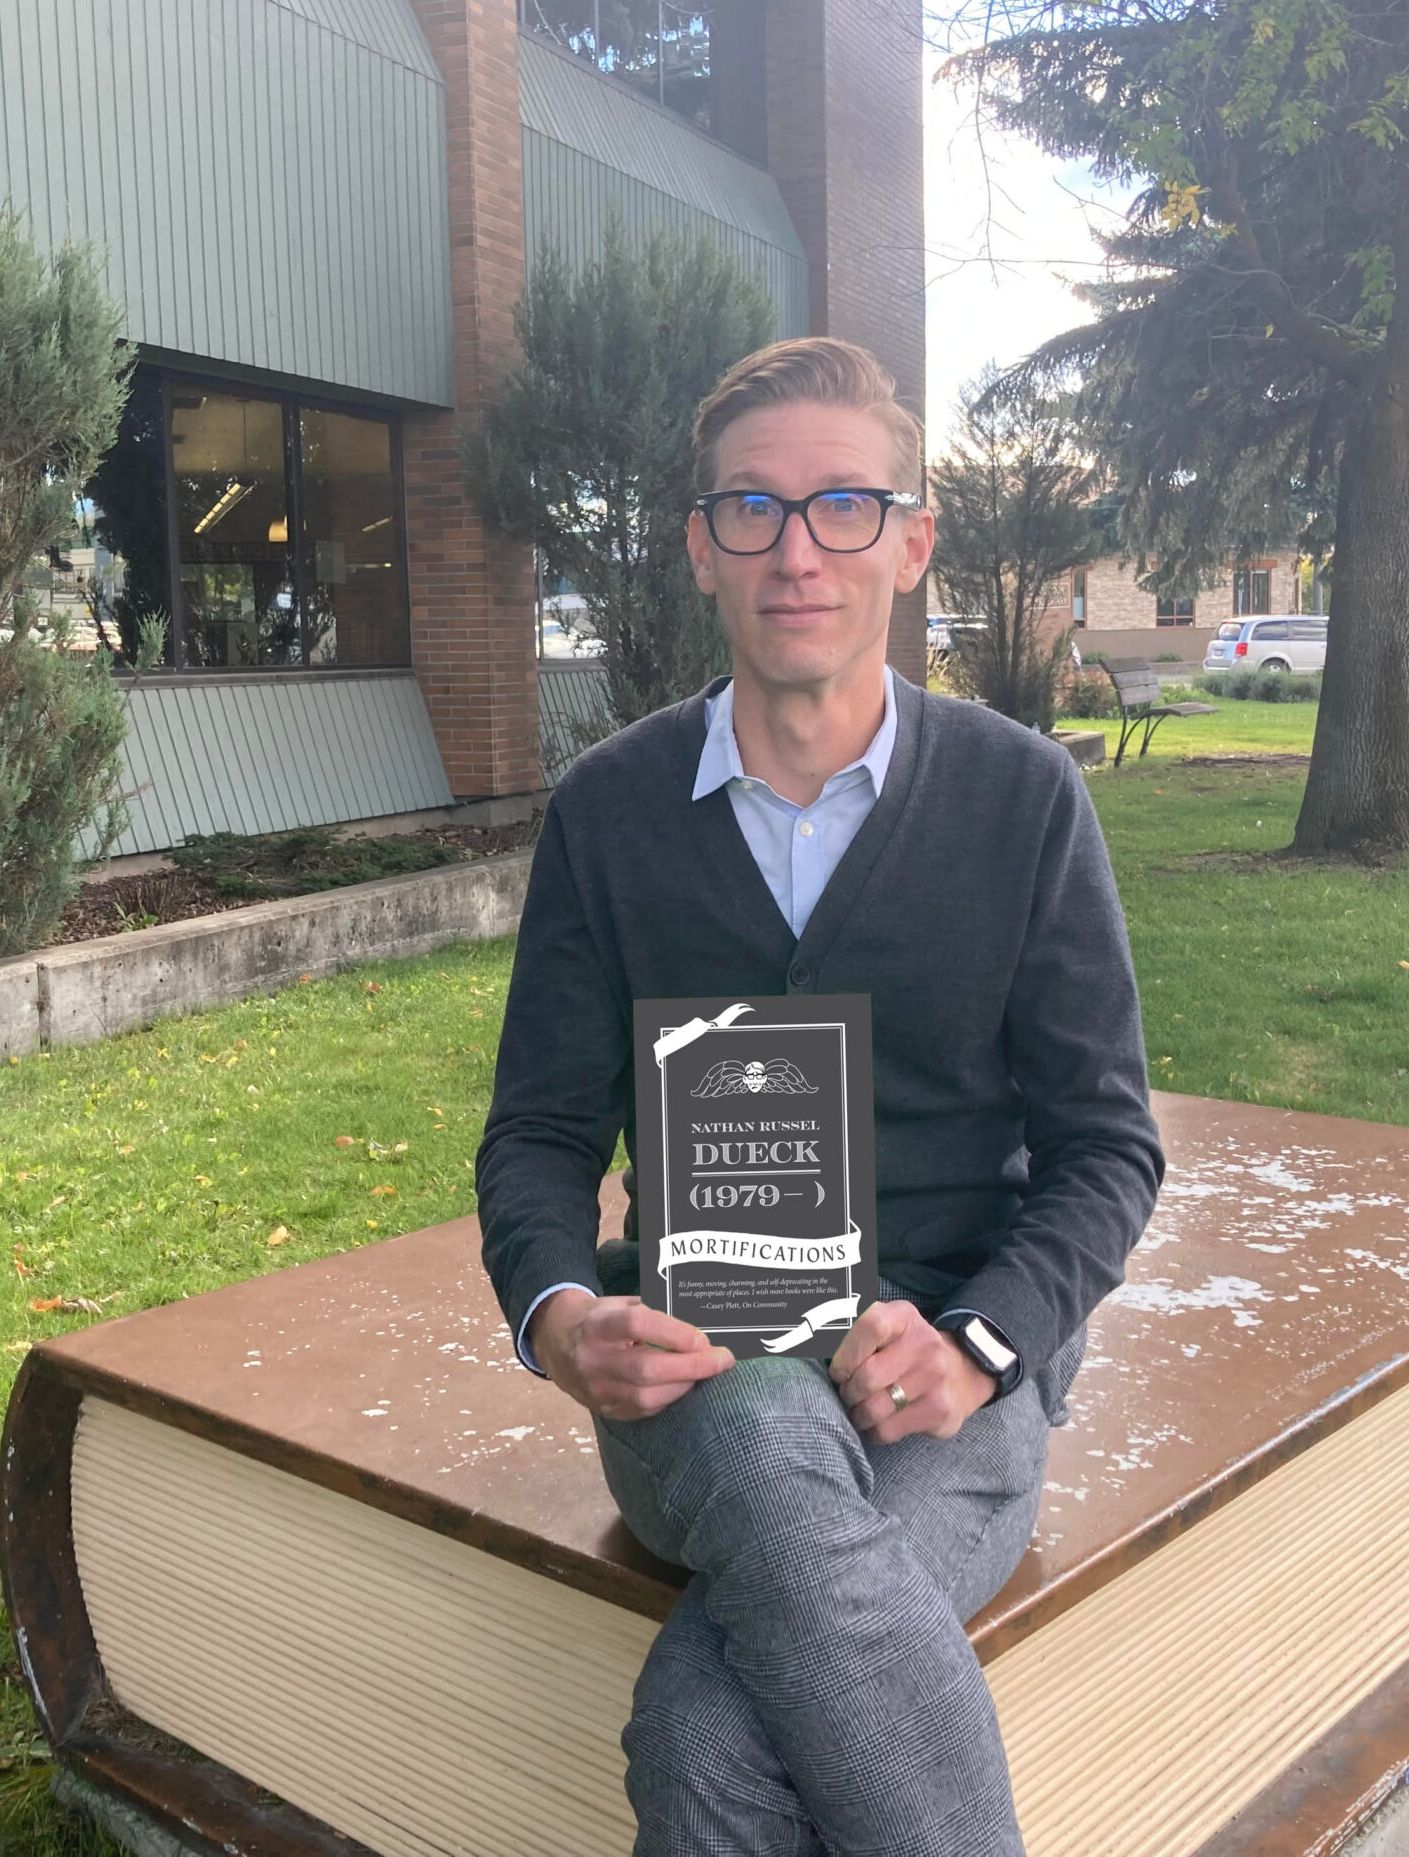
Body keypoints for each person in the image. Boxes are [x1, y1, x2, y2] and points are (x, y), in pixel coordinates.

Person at [476, 337, 1164, 1856]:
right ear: (700, 550)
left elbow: (1108, 1147)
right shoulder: (609, 815)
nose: (798, 550)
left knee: (707, 1744)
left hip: (949, 1380)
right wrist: (562, 1318)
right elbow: (536, 1134)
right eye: (754, 510)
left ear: (913, 545)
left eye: (844, 506)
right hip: (695, 1383)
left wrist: (986, 1342)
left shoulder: (1019, 801)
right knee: (765, 1430)